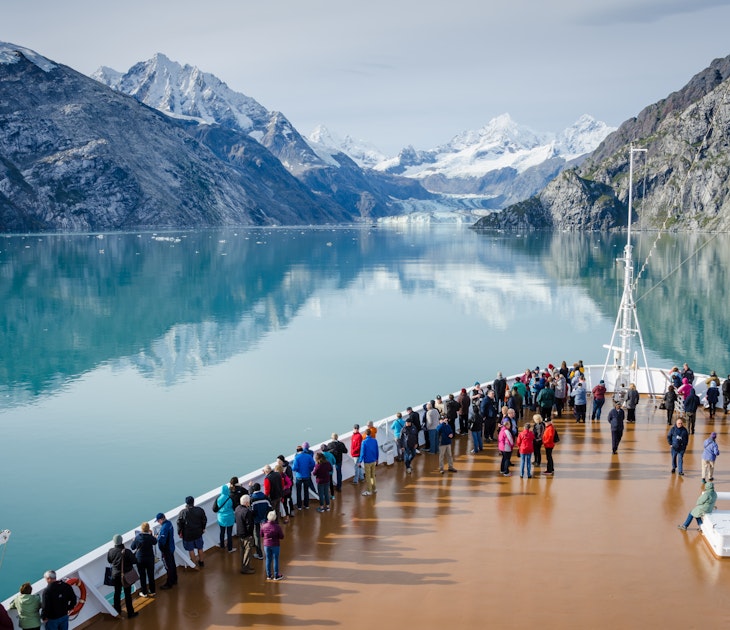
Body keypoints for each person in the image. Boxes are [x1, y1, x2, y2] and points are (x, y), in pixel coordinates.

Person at [106, 535, 139, 619]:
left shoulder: (110, 551)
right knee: (127, 594)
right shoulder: (127, 551)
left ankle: (117, 611)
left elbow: (109, 560)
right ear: (122, 541)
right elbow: (134, 561)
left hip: (115, 576)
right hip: (125, 576)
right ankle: (130, 613)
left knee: (117, 593)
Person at [177, 495, 207, 568]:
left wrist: (179, 532)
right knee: (200, 548)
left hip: (188, 535)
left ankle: (194, 564)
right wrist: (203, 528)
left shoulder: (183, 512)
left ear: (186, 503)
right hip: (198, 532)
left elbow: (179, 523)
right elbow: (204, 520)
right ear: (193, 502)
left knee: (191, 550)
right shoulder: (199, 510)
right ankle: (201, 562)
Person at [131, 521, 157, 598]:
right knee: (151, 575)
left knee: (142, 576)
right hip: (149, 558)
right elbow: (155, 542)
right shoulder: (150, 537)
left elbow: (133, 547)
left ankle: (144, 592)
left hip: (140, 559)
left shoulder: (137, 537)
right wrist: (151, 534)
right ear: (148, 529)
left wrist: (134, 540)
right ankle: (152, 591)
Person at [260, 511, 285, 580]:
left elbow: (261, 535)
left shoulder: (263, 526)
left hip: (266, 545)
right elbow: (281, 536)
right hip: (275, 544)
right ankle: (276, 575)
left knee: (268, 559)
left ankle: (268, 575)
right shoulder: (277, 527)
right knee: (275, 559)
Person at [234, 495, 256, 574]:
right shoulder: (247, 512)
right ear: (247, 502)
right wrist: (250, 534)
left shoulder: (237, 509)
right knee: (248, 551)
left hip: (240, 533)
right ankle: (245, 568)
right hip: (246, 535)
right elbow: (249, 525)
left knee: (242, 551)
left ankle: (244, 566)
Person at [250, 482, 272, 559]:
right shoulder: (265, 497)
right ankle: (270, 553)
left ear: (253, 489)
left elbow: (251, 511)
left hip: (256, 520)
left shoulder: (252, 498)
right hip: (265, 519)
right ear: (260, 488)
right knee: (267, 535)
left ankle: (260, 554)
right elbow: (270, 508)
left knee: (257, 536)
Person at [156, 513, 177, 589]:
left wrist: (157, 537)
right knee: (172, 564)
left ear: (161, 519)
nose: (158, 522)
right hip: (171, 547)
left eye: (158, 521)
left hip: (166, 550)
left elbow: (162, 540)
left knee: (168, 566)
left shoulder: (164, 528)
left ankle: (169, 583)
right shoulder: (169, 523)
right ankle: (174, 579)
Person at [291, 444, 316, 509]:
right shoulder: (308, 456)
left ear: (297, 451)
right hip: (307, 476)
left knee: (298, 492)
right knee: (306, 491)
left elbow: (294, 468)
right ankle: (306, 505)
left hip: (299, 477)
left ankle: (299, 506)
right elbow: (313, 464)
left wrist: (298, 470)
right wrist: (309, 469)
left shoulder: (296, 457)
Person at [216, 483, 236, 552]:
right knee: (229, 533)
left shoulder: (218, 498)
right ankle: (230, 548)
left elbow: (214, 508)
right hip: (229, 517)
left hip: (221, 518)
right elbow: (234, 507)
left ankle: (222, 545)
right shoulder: (230, 498)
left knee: (222, 532)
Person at [359, 428, 379, 495]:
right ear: (370, 433)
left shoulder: (364, 442)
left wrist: (360, 461)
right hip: (373, 460)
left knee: (368, 476)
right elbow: (377, 450)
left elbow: (362, 453)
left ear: (365, 434)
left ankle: (369, 490)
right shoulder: (374, 440)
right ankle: (374, 488)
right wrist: (377, 459)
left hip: (367, 461)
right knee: (372, 475)